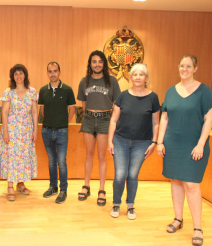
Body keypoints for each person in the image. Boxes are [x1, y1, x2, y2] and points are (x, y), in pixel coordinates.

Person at [157, 55, 212, 246]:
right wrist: (159, 142)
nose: (184, 69)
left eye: (188, 66)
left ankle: (197, 227)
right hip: (172, 144)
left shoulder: (204, 91)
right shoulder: (171, 91)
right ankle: (178, 219)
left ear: (195, 68)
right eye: (182, 65)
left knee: (191, 184)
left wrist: (200, 144)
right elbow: (164, 118)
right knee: (175, 181)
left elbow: (210, 119)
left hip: (194, 145)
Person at [107, 64, 160, 220]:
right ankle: (116, 203)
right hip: (120, 140)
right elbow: (114, 119)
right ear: (130, 78)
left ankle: (130, 205)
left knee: (133, 174)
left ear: (147, 78)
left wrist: (154, 142)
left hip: (142, 142)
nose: (138, 77)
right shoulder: (123, 96)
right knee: (120, 175)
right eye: (135, 74)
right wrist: (110, 141)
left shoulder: (153, 97)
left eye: (141, 74)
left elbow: (156, 122)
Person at [77, 50, 121, 206]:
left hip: (105, 120)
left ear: (104, 64)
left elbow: (117, 103)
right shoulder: (85, 81)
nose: (97, 64)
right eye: (94, 61)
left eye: (100, 62)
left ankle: (102, 189)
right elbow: (83, 103)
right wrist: (90, 114)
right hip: (88, 119)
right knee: (89, 154)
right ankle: (86, 185)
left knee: (102, 156)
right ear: (90, 64)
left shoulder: (112, 81)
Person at [0, 64, 38, 201]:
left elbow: (34, 112)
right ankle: (10, 186)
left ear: (25, 75)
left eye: (21, 73)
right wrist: (6, 132)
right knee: (11, 157)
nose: (18, 76)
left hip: (26, 130)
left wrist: (35, 130)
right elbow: (4, 112)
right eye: (16, 74)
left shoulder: (32, 91)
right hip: (12, 129)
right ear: (12, 77)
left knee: (23, 157)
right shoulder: (8, 92)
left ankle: (21, 183)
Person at [39, 62, 76, 204]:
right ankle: (53, 187)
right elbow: (42, 110)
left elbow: (72, 110)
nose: (52, 73)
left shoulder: (67, 90)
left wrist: (62, 123)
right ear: (47, 73)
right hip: (46, 131)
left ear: (59, 72)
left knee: (62, 161)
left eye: (55, 71)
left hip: (62, 131)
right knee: (51, 161)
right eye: (50, 71)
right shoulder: (43, 90)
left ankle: (63, 190)